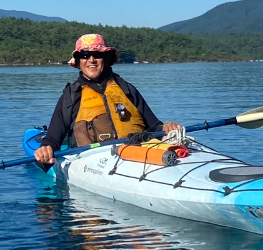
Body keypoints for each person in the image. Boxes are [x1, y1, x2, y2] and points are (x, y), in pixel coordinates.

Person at [32, 34, 180, 167]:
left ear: (107, 58)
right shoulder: (71, 96)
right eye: (84, 55)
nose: (91, 60)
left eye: (97, 54)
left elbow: (155, 127)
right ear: (78, 61)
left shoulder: (126, 89)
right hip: (93, 163)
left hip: (137, 154)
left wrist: (166, 128)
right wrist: (46, 150)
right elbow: (53, 139)